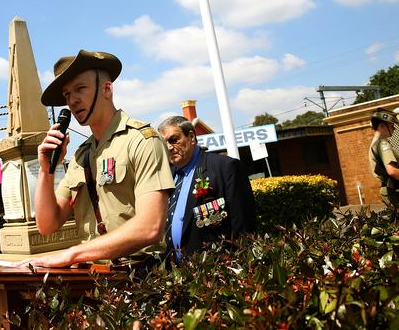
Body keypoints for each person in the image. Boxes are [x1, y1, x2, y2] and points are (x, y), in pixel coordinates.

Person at [22, 50, 174, 268]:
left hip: (140, 277)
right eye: (66, 95)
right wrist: (47, 171)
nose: (72, 101)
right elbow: (47, 224)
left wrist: (73, 254)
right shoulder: (81, 155)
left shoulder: (141, 140)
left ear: (107, 89)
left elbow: (150, 226)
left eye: (80, 89)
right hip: (95, 277)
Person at [157, 116, 257, 261]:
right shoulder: (166, 176)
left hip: (211, 272)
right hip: (172, 273)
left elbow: (243, 227)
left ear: (191, 137)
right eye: (164, 143)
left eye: (174, 140)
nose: (169, 147)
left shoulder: (225, 168)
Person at [368, 108, 399, 216]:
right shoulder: (382, 144)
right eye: (391, 126)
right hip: (394, 191)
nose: (394, 128)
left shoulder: (376, 143)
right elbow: (392, 171)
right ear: (381, 125)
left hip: (391, 190)